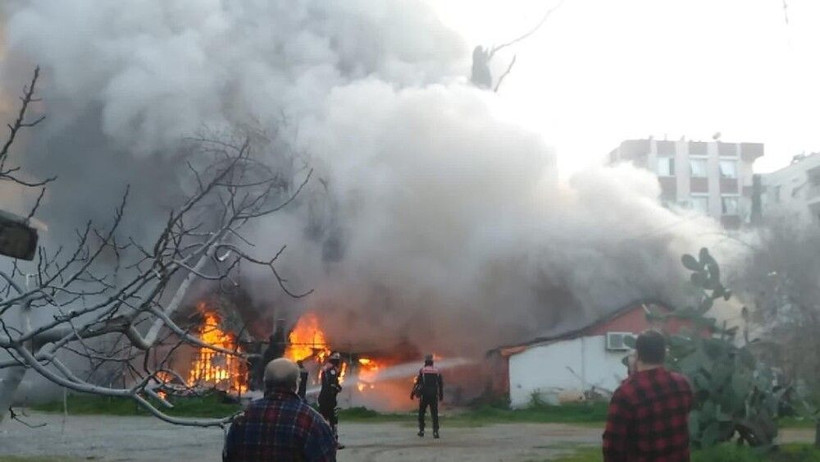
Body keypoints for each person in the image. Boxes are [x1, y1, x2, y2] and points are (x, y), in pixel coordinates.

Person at [603, 330, 693, 462]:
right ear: (664, 354)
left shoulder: (626, 393)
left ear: (638, 354)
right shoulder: (682, 384)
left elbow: (612, 447)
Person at [222, 358, 336, 462]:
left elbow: (229, 457)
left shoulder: (243, 419)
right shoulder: (312, 422)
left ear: (265, 382)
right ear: (296, 384)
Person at [411, 354, 443, 439]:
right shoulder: (437, 371)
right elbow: (440, 384)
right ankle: (435, 432)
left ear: (425, 362)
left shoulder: (422, 370)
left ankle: (421, 430)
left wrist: (412, 393)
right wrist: (441, 395)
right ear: (432, 362)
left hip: (424, 395)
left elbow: (417, 383)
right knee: (434, 414)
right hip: (433, 395)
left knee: (421, 413)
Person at [319, 352, 344, 449]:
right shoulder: (332, 370)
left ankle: (321, 442)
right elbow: (331, 385)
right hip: (329, 399)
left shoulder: (326, 369)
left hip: (323, 398)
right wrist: (337, 388)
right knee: (333, 421)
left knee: (323, 420)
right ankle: (334, 442)